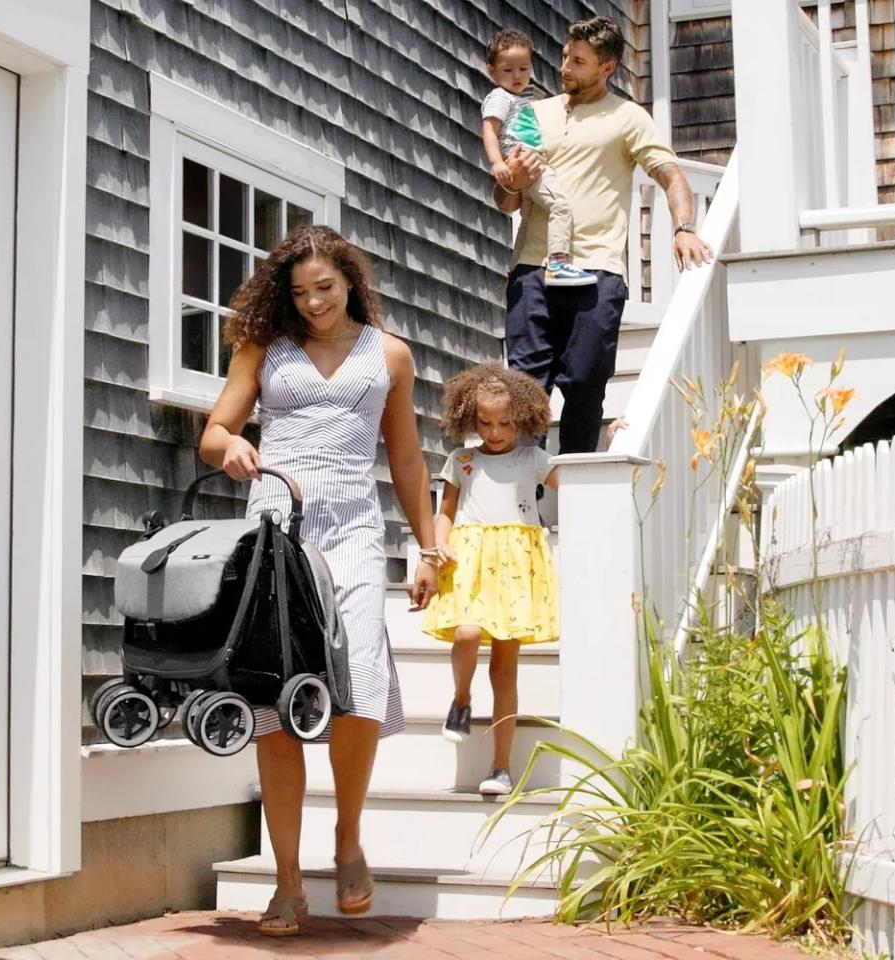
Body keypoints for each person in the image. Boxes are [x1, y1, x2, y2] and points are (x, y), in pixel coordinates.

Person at [198, 226, 439, 936]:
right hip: (275, 528)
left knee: (358, 679)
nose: (313, 304)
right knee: (275, 705)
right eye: (300, 293)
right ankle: (288, 883)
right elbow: (214, 432)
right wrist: (234, 445)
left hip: (355, 530)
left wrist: (429, 548)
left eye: (325, 289)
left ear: (350, 280)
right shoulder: (264, 348)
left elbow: (408, 463)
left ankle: (348, 838)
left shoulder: (389, 354)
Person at [495, 16, 714, 455]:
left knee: (584, 387)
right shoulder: (535, 112)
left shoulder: (628, 118)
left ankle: (575, 492)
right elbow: (507, 202)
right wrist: (512, 182)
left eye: (578, 61)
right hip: (533, 269)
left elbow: (670, 176)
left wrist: (684, 228)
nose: (565, 68)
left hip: (596, 273)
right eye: (563, 57)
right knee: (523, 391)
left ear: (607, 67)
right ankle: (522, 502)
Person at [422, 363, 558, 796]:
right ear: (469, 418)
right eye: (485, 422)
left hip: (517, 566)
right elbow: (444, 513)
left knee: (504, 671)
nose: (495, 431)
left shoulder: (533, 459)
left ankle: (500, 767)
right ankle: (461, 698)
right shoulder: (461, 461)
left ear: (521, 418)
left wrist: (611, 444)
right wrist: (436, 545)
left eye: (504, 423)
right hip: (470, 560)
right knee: (466, 634)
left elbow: (577, 486)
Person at [481, 29, 596, 288]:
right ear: (492, 71)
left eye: (523, 68)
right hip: (523, 161)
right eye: (508, 70)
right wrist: (498, 162)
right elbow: (489, 129)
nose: (517, 76)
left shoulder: (524, 99)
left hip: (534, 163)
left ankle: (515, 269)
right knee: (560, 207)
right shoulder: (500, 97)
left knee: (528, 220)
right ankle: (557, 262)